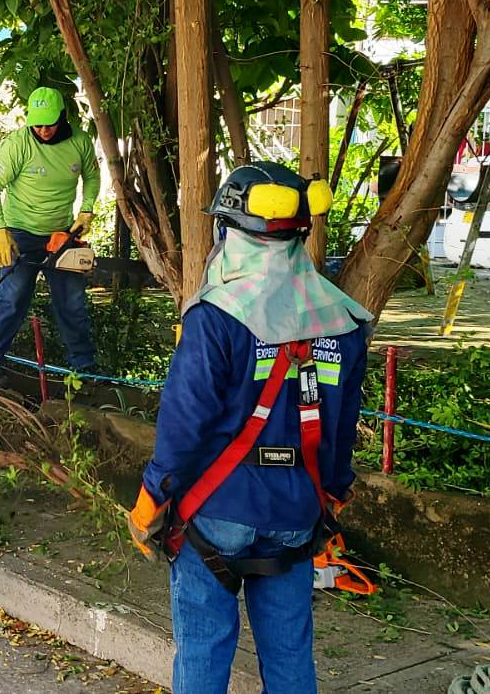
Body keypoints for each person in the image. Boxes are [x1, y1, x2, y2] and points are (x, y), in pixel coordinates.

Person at [128, 162, 372, 694]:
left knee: (204, 651)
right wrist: (331, 493)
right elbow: (340, 430)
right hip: (296, 514)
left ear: (231, 231)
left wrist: (153, 495)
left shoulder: (216, 316)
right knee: (289, 657)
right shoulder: (345, 322)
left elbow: (184, 423)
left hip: (216, 515)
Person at [0, 86, 102, 383]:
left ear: (62, 116)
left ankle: (83, 369)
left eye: (49, 123)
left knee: (72, 301)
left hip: (62, 235)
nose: (43, 130)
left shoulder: (80, 142)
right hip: (20, 232)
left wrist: (86, 209)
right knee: (12, 298)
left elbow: (92, 176)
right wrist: (0, 231)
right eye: (37, 124)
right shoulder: (18, 144)